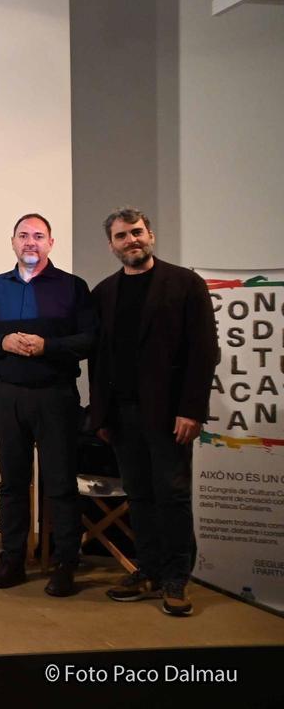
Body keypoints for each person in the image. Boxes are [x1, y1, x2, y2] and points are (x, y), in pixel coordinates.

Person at [90, 208, 217, 617]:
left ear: (152, 236)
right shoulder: (104, 293)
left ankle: (177, 578)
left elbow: (203, 353)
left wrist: (191, 409)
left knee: (173, 495)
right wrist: (102, 416)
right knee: (139, 496)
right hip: (123, 415)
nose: (132, 240)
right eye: (122, 236)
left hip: (170, 415)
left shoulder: (185, 283)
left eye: (137, 232)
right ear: (111, 245)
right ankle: (148, 570)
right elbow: (100, 361)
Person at [0, 213, 96, 597]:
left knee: (59, 482)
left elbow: (90, 339)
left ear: (50, 244)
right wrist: (1, 343)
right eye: (23, 236)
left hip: (56, 395)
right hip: (8, 394)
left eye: (38, 236)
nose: (30, 242)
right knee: (13, 482)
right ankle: (12, 559)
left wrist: (49, 346)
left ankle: (64, 563)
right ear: (12, 242)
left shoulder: (73, 287)